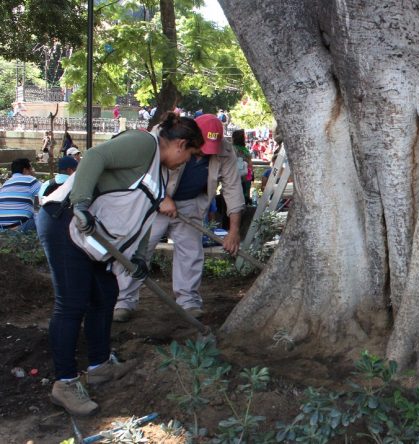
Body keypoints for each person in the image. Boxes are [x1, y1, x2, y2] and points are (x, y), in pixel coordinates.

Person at [36, 113, 204, 416]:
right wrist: (82, 203)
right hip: (66, 223)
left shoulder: (162, 174)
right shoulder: (142, 144)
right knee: (72, 304)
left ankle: (99, 366)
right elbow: (96, 157)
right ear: (180, 144)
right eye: (190, 154)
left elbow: (144, 218)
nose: (187, 161)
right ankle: (64, 383)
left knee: (105, 296)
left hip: (94, 240)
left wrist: (138, 256)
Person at [114, 114, 245, 321]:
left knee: (191, 252)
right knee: (139, 249)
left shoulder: (225, 151)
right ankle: (124, 300)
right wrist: (162, 197)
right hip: (154, 200)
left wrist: (234, 231)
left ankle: (188, 301)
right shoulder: (162, 136)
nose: (204, 153)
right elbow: (145, 169)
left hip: (191, 203)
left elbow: (233, 189)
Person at [0, 158, 42, 232]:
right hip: (19, 226)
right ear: (25, 170)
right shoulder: (30, 180)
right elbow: (46, 193)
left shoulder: (6, 183)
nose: (33, 171)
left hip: (1, 228)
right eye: (31, 168)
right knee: (45, 217)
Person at [231, 129, 254, 204]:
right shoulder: (245, 150)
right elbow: (250, 164)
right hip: (246, 173)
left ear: (234, 138)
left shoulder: (231, 148)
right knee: (245, 192)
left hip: (233, 174)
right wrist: (251, 174)